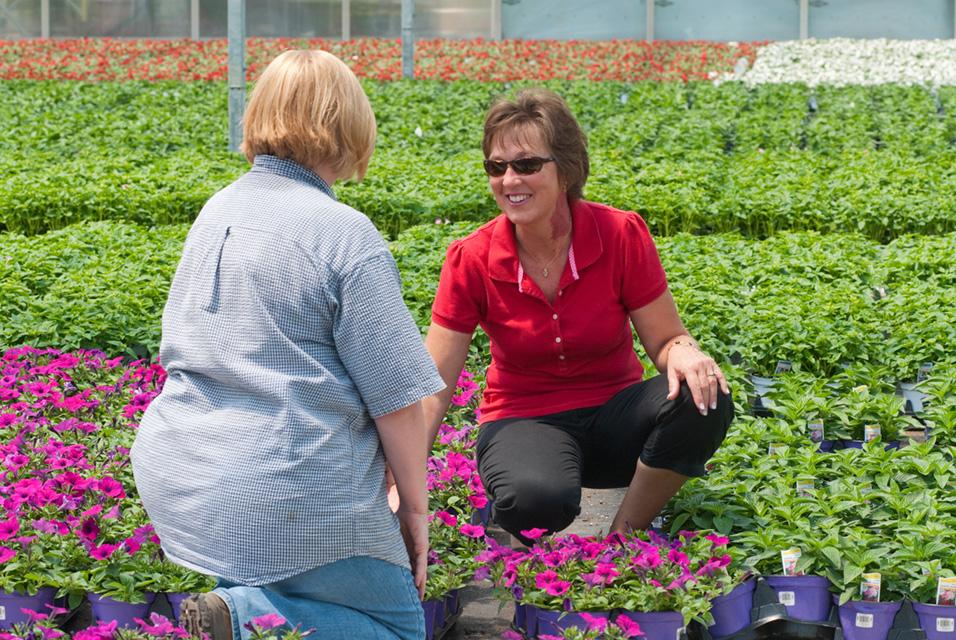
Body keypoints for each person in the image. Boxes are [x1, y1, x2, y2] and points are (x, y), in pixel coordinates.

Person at [130, 50, 444, 640]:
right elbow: (398, 399)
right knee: (399, 631)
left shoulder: (217, 209)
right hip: (289, 485)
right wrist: (416, 513)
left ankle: (239, 611)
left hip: (184, 475)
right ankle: (247, 621)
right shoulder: (345, 235)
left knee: (275, 592)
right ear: (348, 123)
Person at [422, 88, 733, 545]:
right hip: (525, 419)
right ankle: (535, 559)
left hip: (614, 419)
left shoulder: (620, 234)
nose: (510, 180)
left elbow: (667, 340)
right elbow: (434, 386)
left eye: (527, 165)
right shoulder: (471, 258)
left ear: (566, 169)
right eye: (496, 166)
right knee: (535, 499)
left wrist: (686, 353)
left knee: (704, 397)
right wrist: (400, 478)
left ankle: (624, 540)